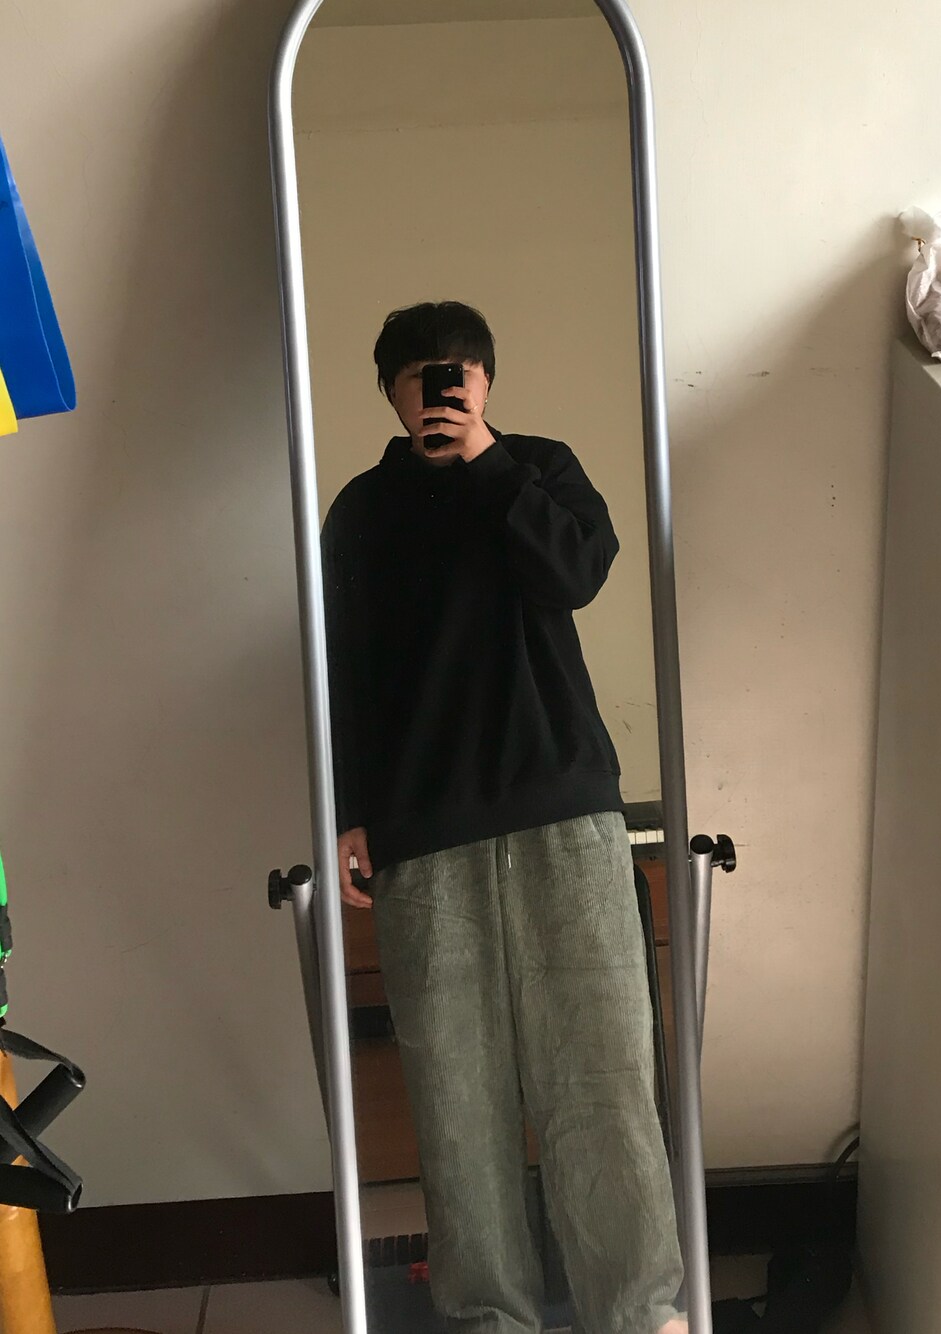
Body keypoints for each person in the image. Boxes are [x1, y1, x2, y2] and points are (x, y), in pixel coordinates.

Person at [322, 301, 685, 1334]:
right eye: (420, 376)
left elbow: (576, 571)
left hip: (561, 807)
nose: (441, 390)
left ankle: (638, 1311)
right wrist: (349, 809)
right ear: (391, 392)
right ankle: (489, 1317)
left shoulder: (538, 470)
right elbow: (342, 668)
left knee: (602, 1075)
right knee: (456, 1097)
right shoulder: (361, 511)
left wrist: (486, 463)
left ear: (484, 382)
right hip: (422, 829)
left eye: (459, 373)